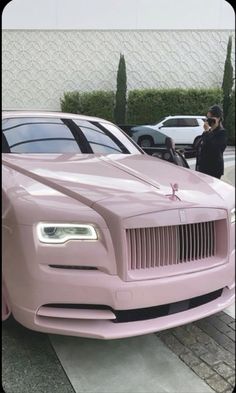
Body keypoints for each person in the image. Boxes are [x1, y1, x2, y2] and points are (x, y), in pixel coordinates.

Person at [195, 105, 227, 179]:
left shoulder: (222, 133)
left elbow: (215, 149)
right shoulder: (209, 131)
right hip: (203, 169)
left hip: (213, 170)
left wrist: (206, 132)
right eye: (207, 118)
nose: (208, 120)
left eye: (210, 118)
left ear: (218, 118)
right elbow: (201, 147)